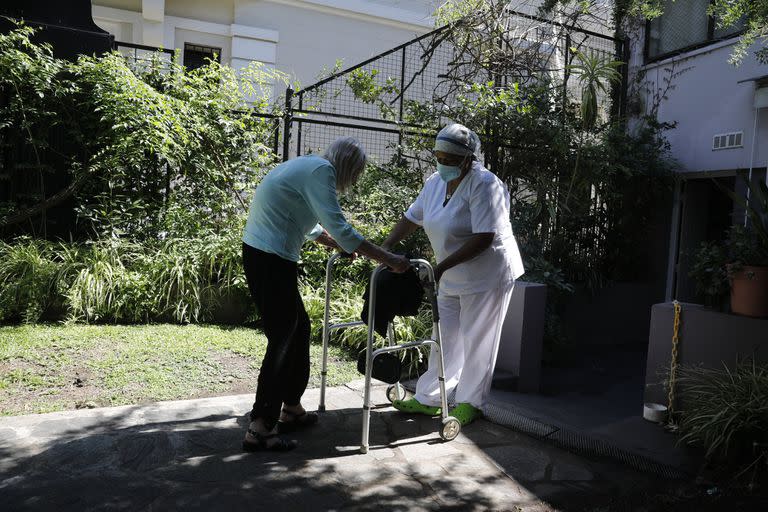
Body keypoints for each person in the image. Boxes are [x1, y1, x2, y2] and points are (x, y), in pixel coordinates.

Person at [241, 137, 411, 452]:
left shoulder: (307, 165)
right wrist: (388, 259)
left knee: (298, 329)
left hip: (264, 255)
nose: (355, 180)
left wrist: (333, 243)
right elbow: (343, 229)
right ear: (349, 166)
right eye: (357, 173)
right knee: (283, 338)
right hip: (270, 259)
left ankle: (291, 409)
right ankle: (260, 427)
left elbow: (304, 221)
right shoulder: (322, 172)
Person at [381, 123, 524, 426]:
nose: (442, 163)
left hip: (487, 274)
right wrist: (387, 245)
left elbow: (484, 237)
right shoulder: (435, 182)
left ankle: (471, 402)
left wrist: (441, 267)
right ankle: (431, 397)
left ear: (467, 159)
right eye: (438, 157)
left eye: (449, 159)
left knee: (478, 339)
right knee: (443, 336)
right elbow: (412, 217)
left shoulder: (486, 185)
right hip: (447, 273)